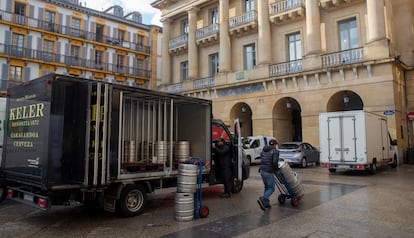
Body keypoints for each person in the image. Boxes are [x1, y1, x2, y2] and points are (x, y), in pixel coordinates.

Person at [257, 139, 279, 210]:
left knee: (267, 187)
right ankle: (263, 198)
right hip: (269, 171)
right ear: (275, 144)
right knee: (271, 188)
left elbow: (262, 159)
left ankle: (266, 204)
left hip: (262, 170)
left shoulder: (263, 150)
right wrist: (276, 169)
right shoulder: (275, 151)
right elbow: (275, 162)